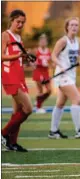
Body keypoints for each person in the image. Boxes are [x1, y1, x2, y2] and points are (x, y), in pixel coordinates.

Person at [48, 17, 80, 139]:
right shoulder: (63, 41)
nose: (74, 27)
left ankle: (53, 131)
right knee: (76, 99)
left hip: (71, 75)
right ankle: (79, 130)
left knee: (60, 103)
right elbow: (53, 56)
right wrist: (60, 65)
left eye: (76, 25)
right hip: (63, 76)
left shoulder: (78, 41)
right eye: (72, 25)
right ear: (67, 27)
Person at [1, 9, 34, 152]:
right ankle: (3, 133)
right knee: (28, 109)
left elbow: (18, 56)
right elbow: (1, 57)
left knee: (18, 111)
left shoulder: (19, 38)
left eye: (23, 22)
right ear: (12, 20)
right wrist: (18, 56)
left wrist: (26, 58)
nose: (20, 24)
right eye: (18, 22)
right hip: (10, 76)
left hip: (19, 76)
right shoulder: (5, 35)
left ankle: (12, 143)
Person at [32, 34, 52, 114]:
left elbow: (51, 61)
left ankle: (38, 101)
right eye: (41, 41)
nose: (43, 42)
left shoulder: (48, 51)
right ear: (39, 42)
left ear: (46, 42)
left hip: (46, 73)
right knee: (40, 90)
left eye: (44, 41)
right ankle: (38, 107)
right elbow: (31, 61)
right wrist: (36, 63)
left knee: (49, 90)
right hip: (38, 72)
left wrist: (51, 65)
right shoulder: (36, 51)